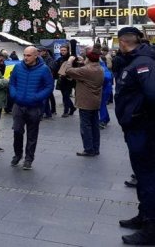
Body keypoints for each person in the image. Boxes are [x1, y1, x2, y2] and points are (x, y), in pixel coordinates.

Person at [114, 27, 155, 245]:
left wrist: (137, 115)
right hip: (136, 128)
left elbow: (152, 94)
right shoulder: (135, 60)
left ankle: (151, 227)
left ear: (122, 42)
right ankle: (143, 215)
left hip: (143, 129)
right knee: (142, 175)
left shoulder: (142, 63)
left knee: (148, 177)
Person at [9, 46, 54, 170]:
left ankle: (28, 159)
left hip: (35, 107)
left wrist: (37, 97)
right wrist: (14, 95)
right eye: (24, 55)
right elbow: (12, 82)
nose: (25, 58)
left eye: (28, 55)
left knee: (32, 134)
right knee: (17, 131)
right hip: (19, 105)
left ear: (36, 56)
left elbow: (49, 87)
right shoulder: (18, 67)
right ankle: (17, 155)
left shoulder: (44, 69)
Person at [59, 45, 104, 157]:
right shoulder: (99, 68)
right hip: (95, 101)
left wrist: (69, 61)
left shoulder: (86, 70)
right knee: (94, 126)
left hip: (85, 102)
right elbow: (87, 70)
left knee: (86, 127)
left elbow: (68, 71)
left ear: (88, 58)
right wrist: (83, 62)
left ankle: (88, 149)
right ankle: (95, 148)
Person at [55, 45, 76, 117]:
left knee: (66, 96)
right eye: (61, 50)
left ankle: (66, 111)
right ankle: (72, 108)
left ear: (67, 51)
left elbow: (74, 68)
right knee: (64, 95)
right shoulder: (59, 59)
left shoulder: (71, 58)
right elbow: (57, 69)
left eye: (64, 50)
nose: (63, 52)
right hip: (62, 80)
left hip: (69, 80)